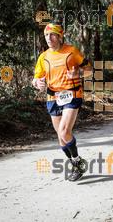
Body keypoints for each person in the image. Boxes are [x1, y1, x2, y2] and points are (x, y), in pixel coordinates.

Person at [32, 23, 93, 181]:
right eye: (47, 35)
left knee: (65, 132)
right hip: (53, 97)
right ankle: (75, 163)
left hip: (72, 94)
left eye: (52, 35)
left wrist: (77, 74)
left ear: (60, 36)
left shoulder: (71, 51)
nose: (49, 38)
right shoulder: (43, 56)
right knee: (60, 137)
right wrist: (37, 83)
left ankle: (77, 162)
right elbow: (37, 77)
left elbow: (89, 70)